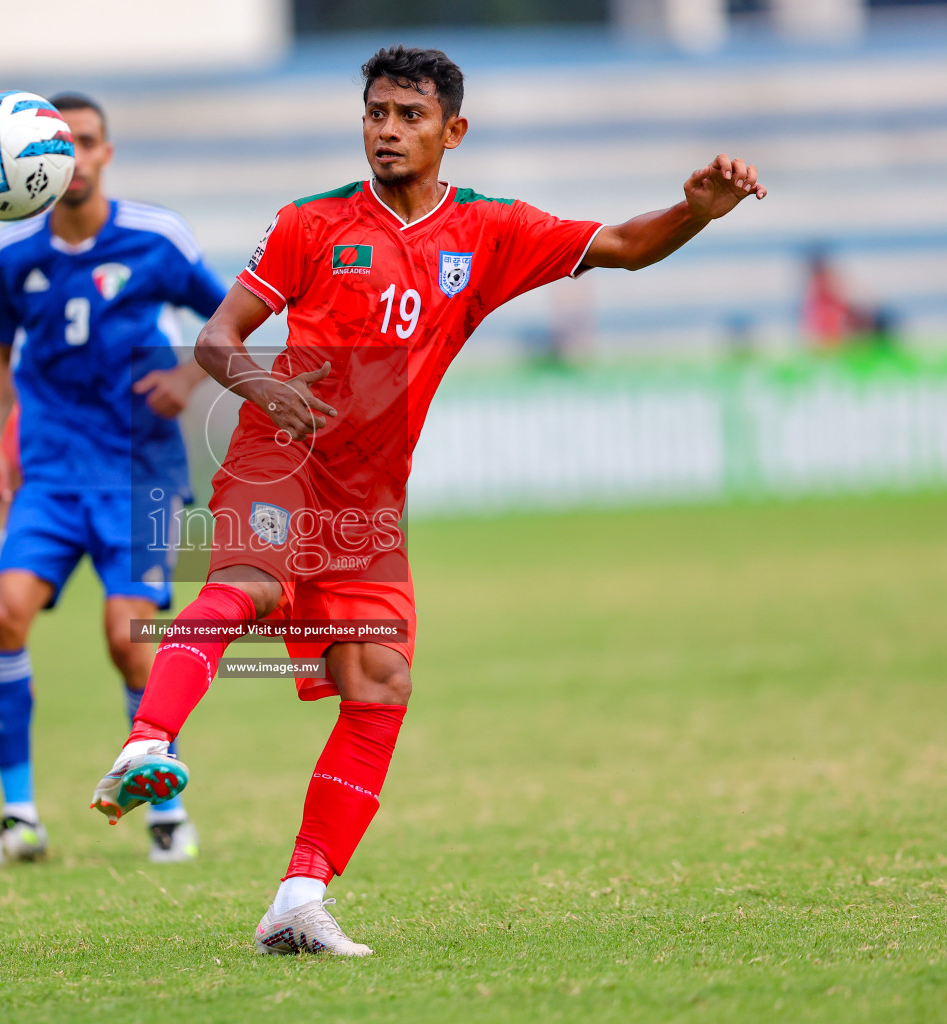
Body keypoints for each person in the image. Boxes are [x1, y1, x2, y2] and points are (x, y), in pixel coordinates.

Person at [87, 45, 769, 954]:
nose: (387, 131)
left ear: (454, 130)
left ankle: (297, 898)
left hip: (368, 493)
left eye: (409, 116)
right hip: (278, 453)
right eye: (376, 113)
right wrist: (266, 387)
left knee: (380, 681)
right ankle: (148, 741)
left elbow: (624, 249)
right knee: (248, 586)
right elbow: (216, 341)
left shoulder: (490, 231)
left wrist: (693, 211)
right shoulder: (309, 221)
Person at [0, 92, 228, 867]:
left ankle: (167, 811)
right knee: (2, 616)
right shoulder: (17, 258)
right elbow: (1, 355)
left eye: (83, 142)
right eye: (57, 144)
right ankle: (20, 820)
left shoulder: (156, 240)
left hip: (142, 472)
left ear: (105, 152)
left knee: (128, 640)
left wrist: (186, 381)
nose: (71, 157)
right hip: (50, 473)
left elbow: (229, 325)